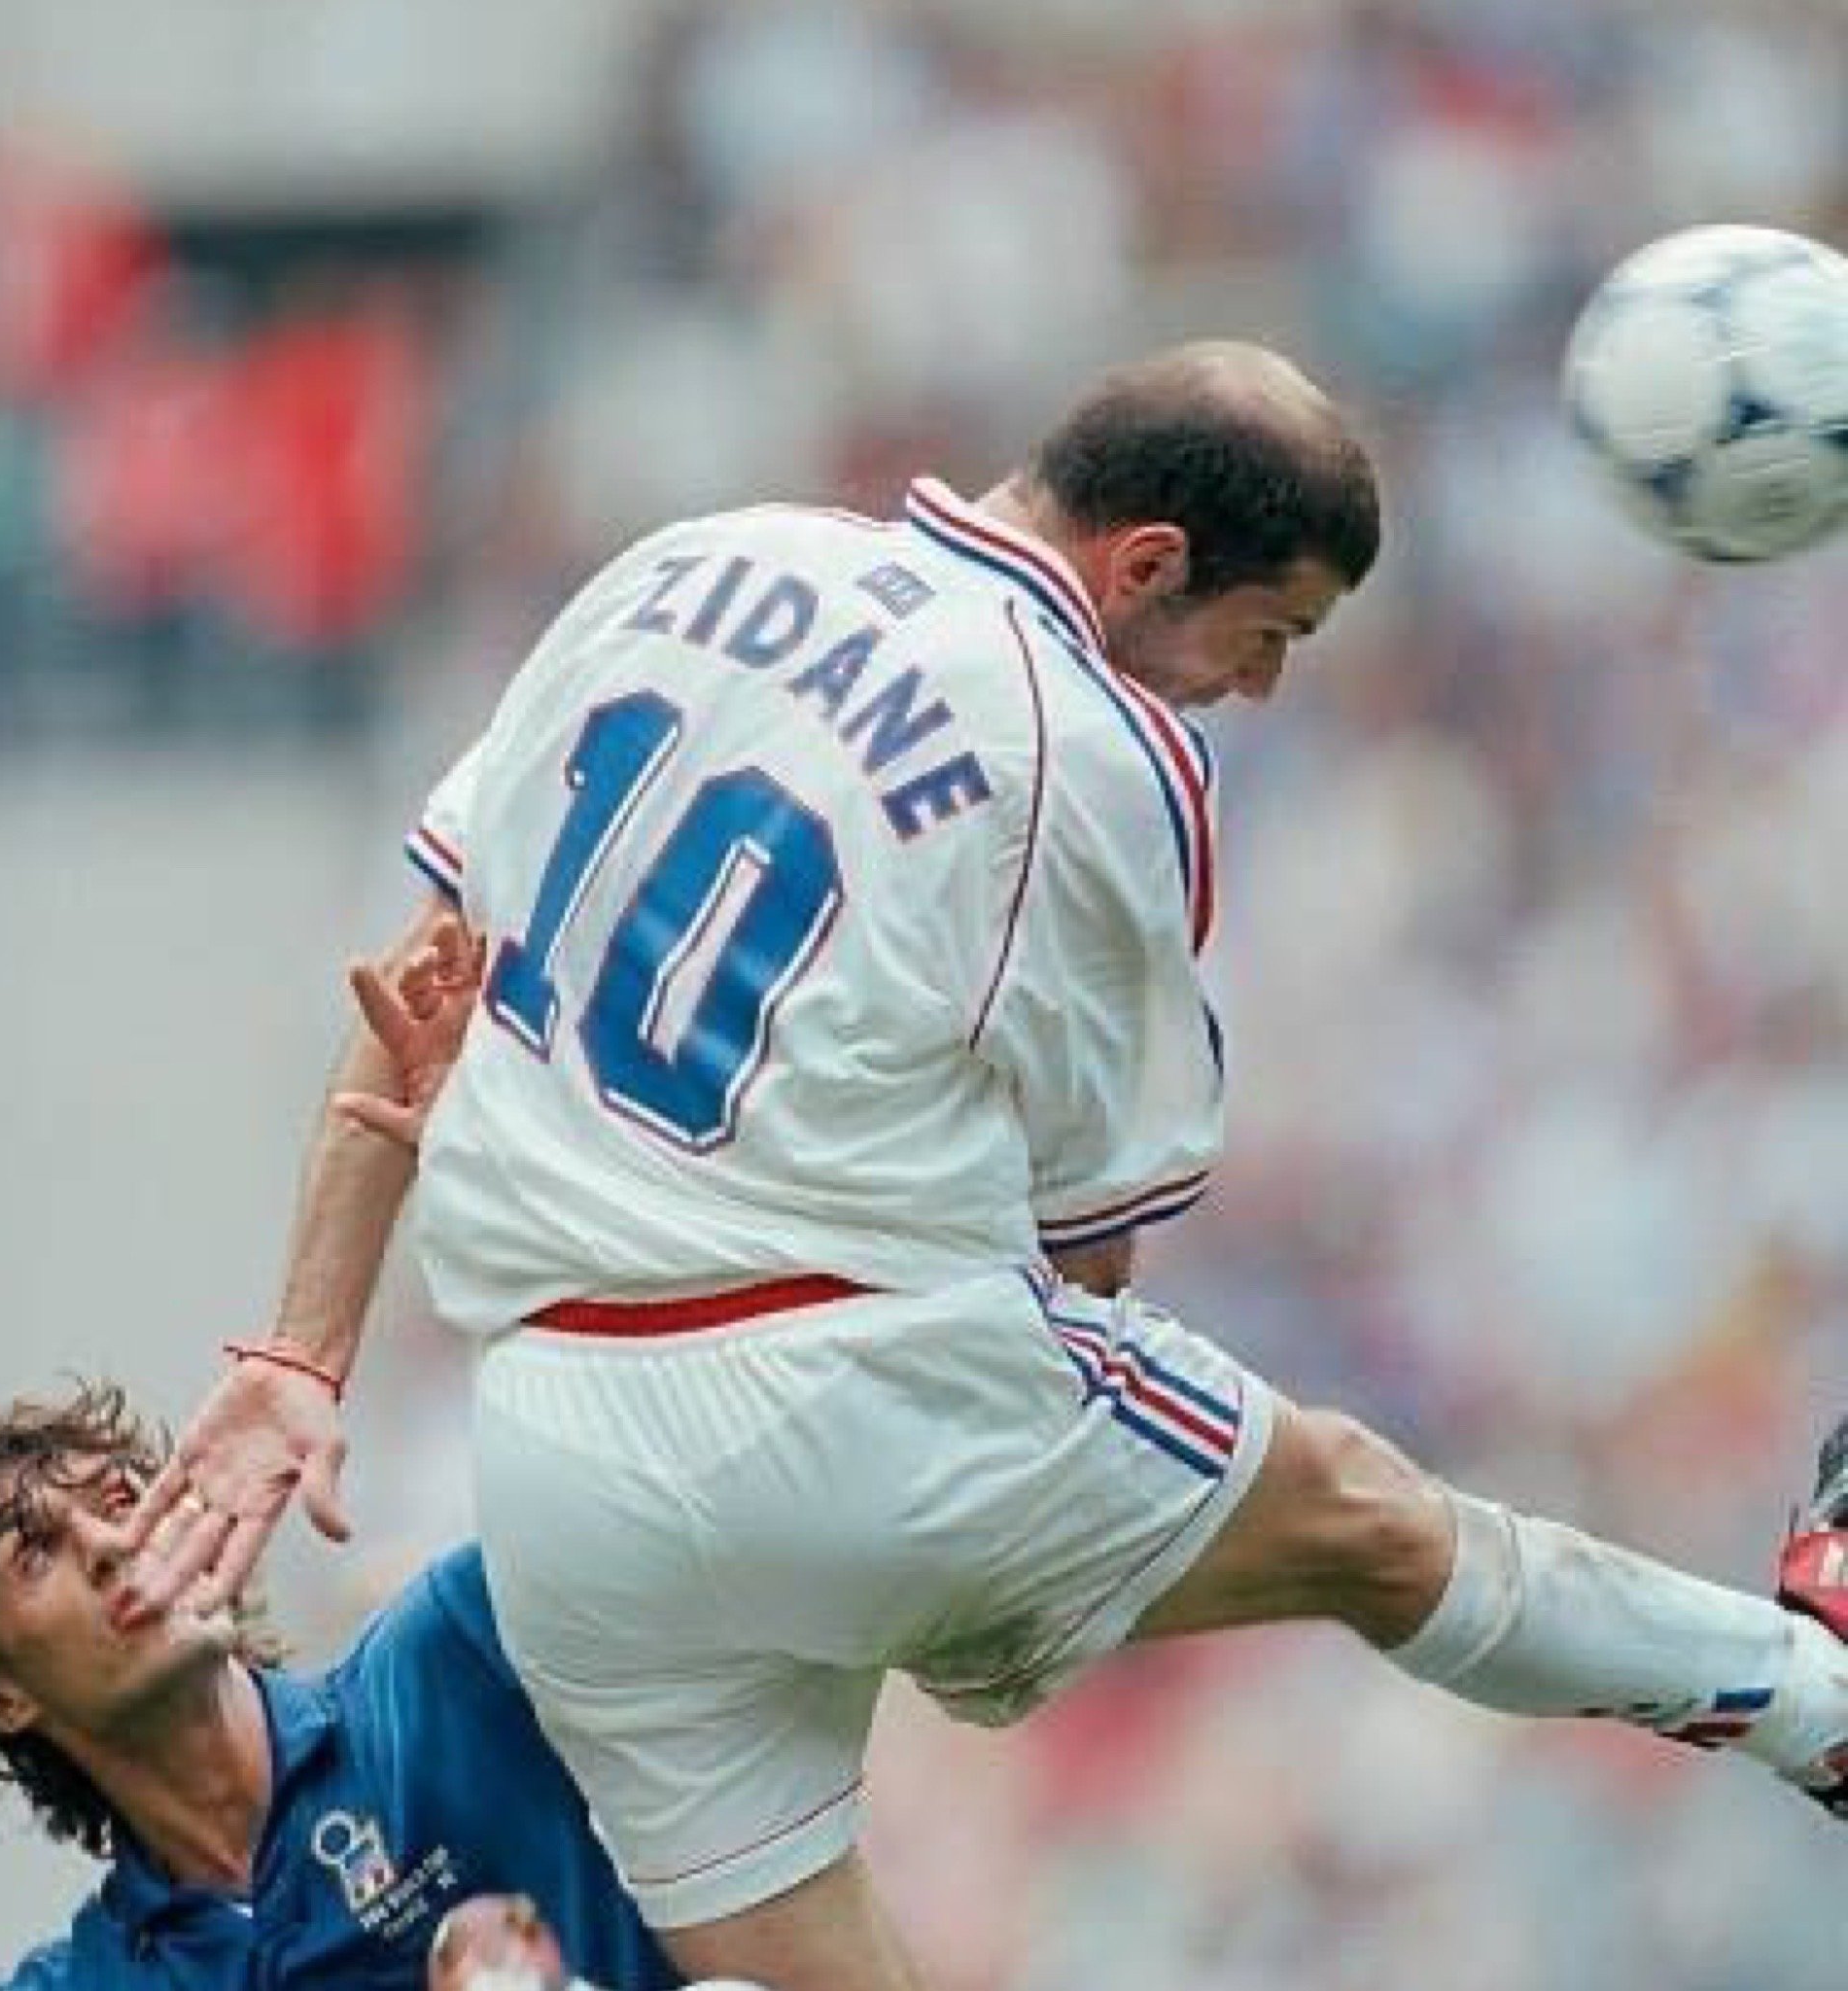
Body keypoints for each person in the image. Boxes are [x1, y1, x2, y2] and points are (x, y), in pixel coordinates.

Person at [113, 342, 1848, 1991]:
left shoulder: (690, 561)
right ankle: (1810, 1694)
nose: (1259, 685)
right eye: (1267, 633)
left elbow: (413, 981)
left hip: (562, 1472)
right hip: (851, 1389)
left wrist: (302, 1354)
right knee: (1367, 1522)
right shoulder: (1090, 738)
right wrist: (986, 1558)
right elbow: (1089, 1248)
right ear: (1146, 562)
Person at [0, 1382, 681, 1991]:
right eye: (37, 1553)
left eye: (120, 1499)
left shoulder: (454, 1649)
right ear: (1, 1699)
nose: (113, 1544)